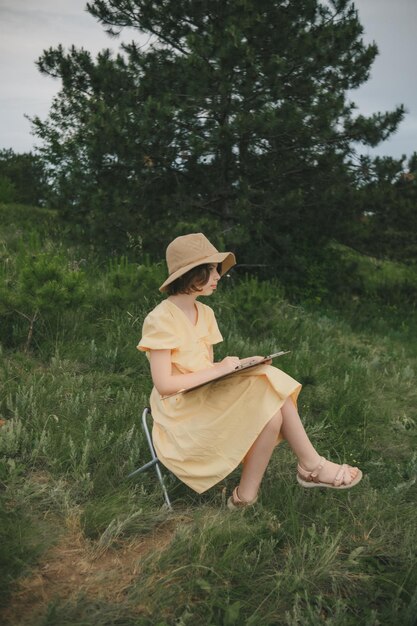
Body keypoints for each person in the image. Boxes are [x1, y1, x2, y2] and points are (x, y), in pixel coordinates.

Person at [137, 233, 362, 509]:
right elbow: (165, 385)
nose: (218, 276)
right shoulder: (160, 319)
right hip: (179, 409)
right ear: (191, 274)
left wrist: (242, 366)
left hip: (202, 394)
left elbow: (204, 368)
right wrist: (220, 369)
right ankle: (311, 466)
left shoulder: (204, 313)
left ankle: (244, 498)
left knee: (270, 403)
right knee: (270, 385)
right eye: (211, 270)